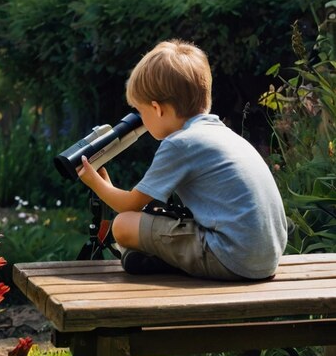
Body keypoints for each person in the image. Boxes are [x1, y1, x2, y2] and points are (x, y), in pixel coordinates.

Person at [78, 39, 287, 280]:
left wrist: (97, 183)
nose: (143, 123)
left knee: (123, 225)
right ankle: (163, 259)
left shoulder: (179, 143)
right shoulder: (224, 135)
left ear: (157, 109)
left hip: (232, 258)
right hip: (267, 258)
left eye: (141, 113)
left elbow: (129, 206)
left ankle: (161, 260)